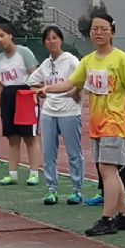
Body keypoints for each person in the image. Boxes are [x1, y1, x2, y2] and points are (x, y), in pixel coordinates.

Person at [75, 11, 125, 237]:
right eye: (95, 29)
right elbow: (71, 83)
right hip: (97, 124)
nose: (99, 33)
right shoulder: (88, 60)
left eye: (104, 29)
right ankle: (124, 216)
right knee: (110, 170)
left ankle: (108, 218)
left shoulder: (121, 59)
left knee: (107, 169)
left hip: (115, 121)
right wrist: (46, 88)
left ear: (112, 32)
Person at [34, 25, 86, 203]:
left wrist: (76, 92)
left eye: (55, 38)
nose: (51, 42)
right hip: (49, 112)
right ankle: (51, 189)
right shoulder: (46, 64)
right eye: (48, 39)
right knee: (48, 153)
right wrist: (41, 90)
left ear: (61, 40)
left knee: (74, 153)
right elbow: (31, 81)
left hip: (69, 111)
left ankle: (76, 189)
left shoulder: (71, 60)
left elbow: (82, 78)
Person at [0, 24, 41, 186]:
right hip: (8, 97)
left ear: (10, 35)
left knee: (30, 137)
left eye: (2, 35)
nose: (0, 40)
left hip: (25, 95)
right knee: (12, 138)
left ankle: (34, 173)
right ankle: (12, 173)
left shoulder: (24, 52)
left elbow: (35, 75)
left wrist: (34, 94)